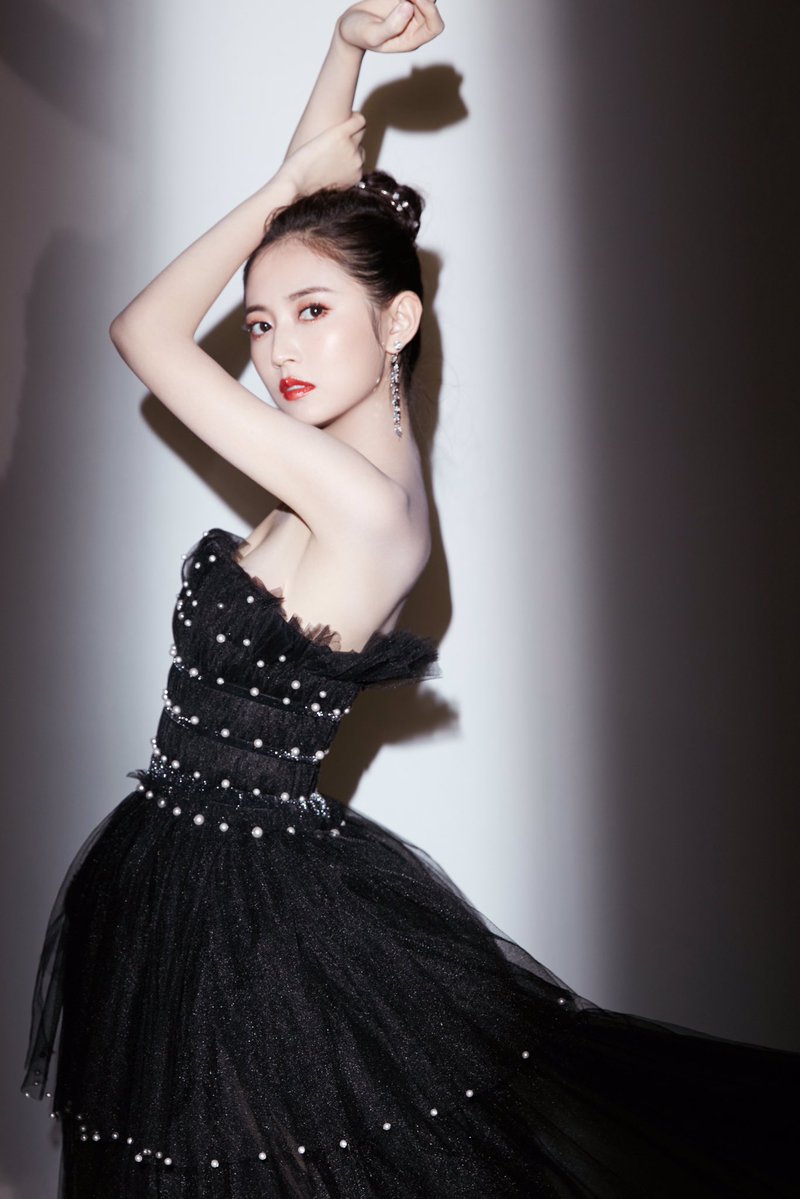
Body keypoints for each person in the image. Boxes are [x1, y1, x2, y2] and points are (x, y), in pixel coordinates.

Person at [21, 3, 800, 1196]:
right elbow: (309, 228)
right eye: (262, 321)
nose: (277, 348)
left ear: (397, 321)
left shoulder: (358, 502)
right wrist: (342, 51)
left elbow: (143, 331)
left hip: (240, 905)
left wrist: (282, 187)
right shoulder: (332, 463)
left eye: (311, 315)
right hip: (180, 864)